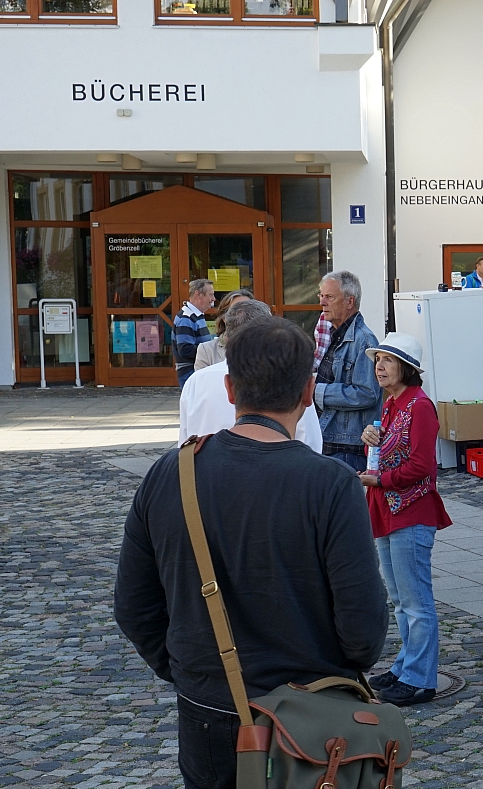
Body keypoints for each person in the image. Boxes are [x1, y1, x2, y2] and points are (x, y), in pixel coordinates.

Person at [114, 317, 387, 789]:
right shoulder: (328, 486)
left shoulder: (171, 475)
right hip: (309, 726)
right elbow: (365, 634)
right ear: (310, 393)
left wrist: (191, 672)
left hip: (209, 714)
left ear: (230, 386)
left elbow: (134, 608)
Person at [359, 332, 451, 707]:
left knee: (415, 599)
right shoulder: (393, 403)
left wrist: (381, 479)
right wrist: (371, 439)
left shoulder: (420, 405)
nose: (379, 366)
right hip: (388, 509)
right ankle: (405, 667)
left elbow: (423, 466)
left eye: (387, 361)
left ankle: (419, 679)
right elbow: (389, 450)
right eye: (378, 360)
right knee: (399, 598)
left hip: (411, 512)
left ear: (407, 369)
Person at [179, 299, 323, 451]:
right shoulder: (286, 376)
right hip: (279, 469)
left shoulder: (196, 381)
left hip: (206, 470)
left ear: (227, 336)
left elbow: (185, 443)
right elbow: (311, 442)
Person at [312, 270, 381, 471]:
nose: (322, 302)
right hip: (330, 442)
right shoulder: (332, 333)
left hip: (348, 450)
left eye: (329, 297)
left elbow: (368, 393)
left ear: (350, 302)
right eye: (321, 296)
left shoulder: (364, 340)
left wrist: (317, 391)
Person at [194, 289, 251, 370]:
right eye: (237, 310)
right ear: (224, 317)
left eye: (248, 309)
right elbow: (202, 381)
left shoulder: (266, 346)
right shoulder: (207, 350)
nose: (244, 314)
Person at [173, 279, 216, 387]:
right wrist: (210, 350)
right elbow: (185, 349)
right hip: (190, 373)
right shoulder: (186, 318)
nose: (213, 299)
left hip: (196, 371)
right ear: (198, 294)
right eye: (210, 295)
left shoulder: (195, 315)